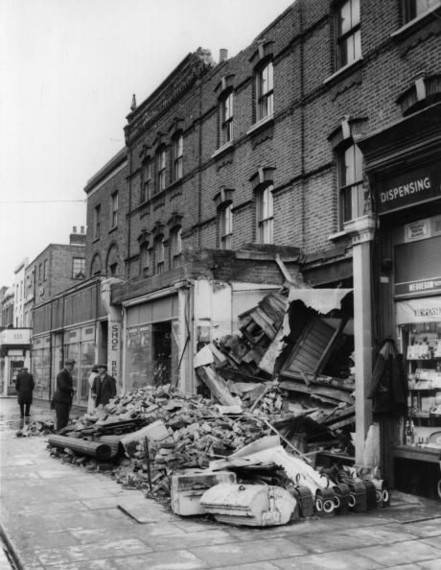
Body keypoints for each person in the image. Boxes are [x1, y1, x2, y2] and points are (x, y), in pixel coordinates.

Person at [52, 359, 75, 432]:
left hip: (64, 399)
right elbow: (63, 386)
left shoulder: (67, 373)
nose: (73, 367)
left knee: (65, 418)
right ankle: (60, 434)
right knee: (62, 418)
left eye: (73, 365)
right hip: (61, 399)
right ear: (67, 365)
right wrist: (72, 389)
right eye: (72, 365)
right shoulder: (62, 373)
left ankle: (62, 433)